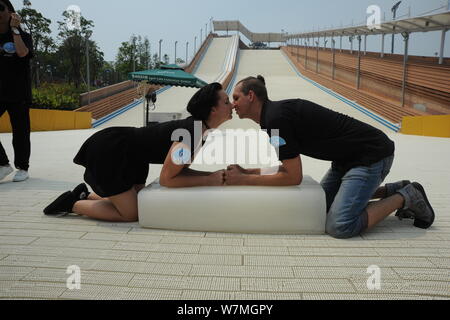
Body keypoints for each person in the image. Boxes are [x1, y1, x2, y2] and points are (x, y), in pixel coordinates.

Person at [225, 75, 435, 239]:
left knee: (340, 225)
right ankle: (393, 189)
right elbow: (286, 169)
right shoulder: (272, 118)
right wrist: (247, 171)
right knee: (319, 207)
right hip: (345, 160)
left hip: (371, 155)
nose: (233, 104)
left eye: (236, 98)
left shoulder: (275, 120)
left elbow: (292, 177)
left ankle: (407, 195)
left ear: (251, 96)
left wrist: (243, 179)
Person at [43, 82, 233, 222]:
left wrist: (212, 174)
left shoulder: (199, 130)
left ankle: (86, 195)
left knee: (139, 202)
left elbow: (180, 171)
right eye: (226, 102)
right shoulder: (192, 132)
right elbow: (168, 179)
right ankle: (71, 204)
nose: (231, 105)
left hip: (132, 157)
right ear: (213, 109)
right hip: (112, 150)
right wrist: (209, 180)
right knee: (131, 214)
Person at [0, 0, 34, 182]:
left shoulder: (23, 35)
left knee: (20, 132)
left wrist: (15, 29)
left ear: (10, 12)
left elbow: (22, 53)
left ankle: (23, 168)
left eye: (1, 8)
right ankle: (3, 164)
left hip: (19, 91)